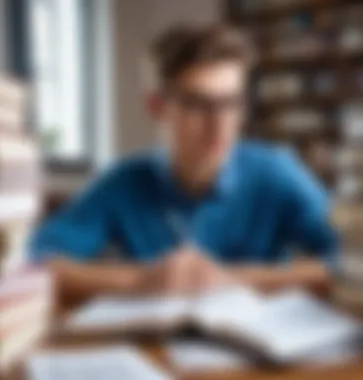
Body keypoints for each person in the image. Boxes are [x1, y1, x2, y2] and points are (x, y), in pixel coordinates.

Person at [30, 24, 337, 301]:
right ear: (156, 107)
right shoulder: (122, 182)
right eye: (197, 104)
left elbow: (349, 261)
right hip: (154, 349)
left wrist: (229, 280)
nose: (220, 124)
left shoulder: (276, 173)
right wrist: (143, 281)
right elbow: (39, 262)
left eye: (232, 103)